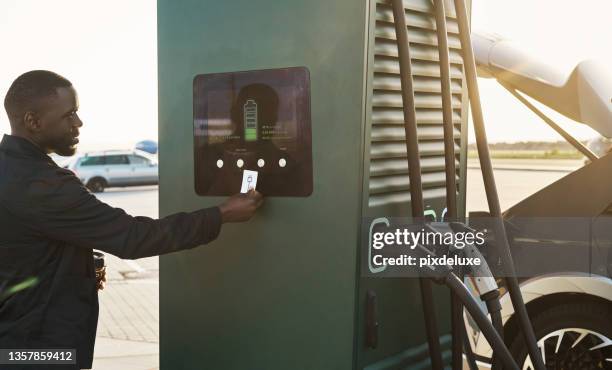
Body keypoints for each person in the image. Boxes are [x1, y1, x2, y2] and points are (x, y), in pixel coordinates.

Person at [0, 70, 263, 370]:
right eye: (69, 114)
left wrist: (82, 262)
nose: (79, 123)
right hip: (40, 352)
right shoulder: (44, 185)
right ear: (33, 121)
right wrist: (222, 214)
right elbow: (134, 237)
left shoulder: (9, 169)